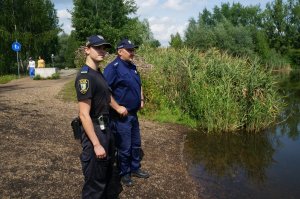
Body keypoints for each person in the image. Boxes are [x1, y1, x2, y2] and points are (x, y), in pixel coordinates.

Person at [74, 35, 128, 198]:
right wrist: (96, 144)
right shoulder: (85, 77)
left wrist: (118, 107)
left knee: (105, 173)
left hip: (106, 128)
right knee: (95, 182)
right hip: (95, 131)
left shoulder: (98, 73)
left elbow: (106, 95)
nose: (102, 51)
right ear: (87, 50)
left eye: (104, 48)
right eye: (98, 47)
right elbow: (83, 114)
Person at [104, 39, 150, 187]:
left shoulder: (132, 66)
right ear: (119, 51)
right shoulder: (113, 68)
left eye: (133, 50)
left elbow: (139, 83)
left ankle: (135, 168)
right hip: (121, 116)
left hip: (133, 114)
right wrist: (117, 108)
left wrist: (141, 98)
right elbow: (105, 92)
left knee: (136, 144)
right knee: (124, 146)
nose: (132, 52)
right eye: (129, 50)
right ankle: (125, 173)